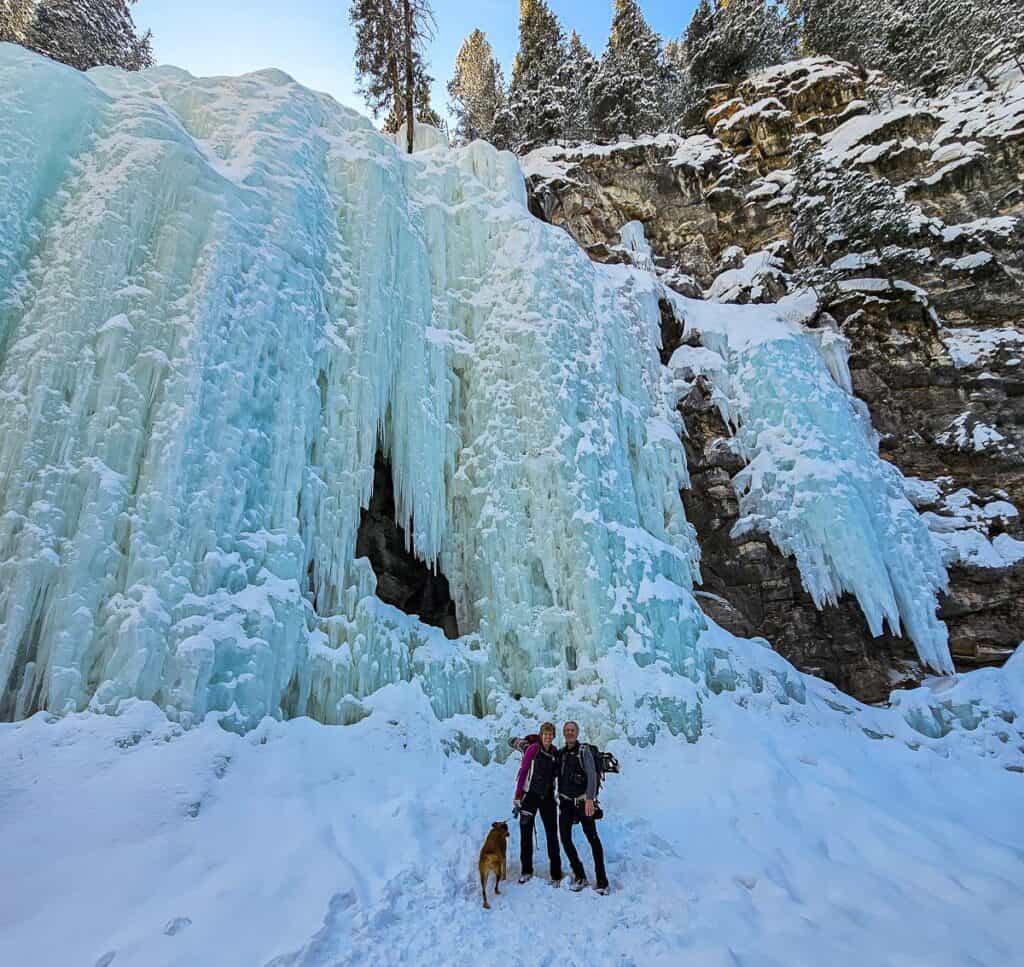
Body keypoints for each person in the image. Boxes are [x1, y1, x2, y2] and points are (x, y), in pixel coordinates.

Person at [558, 720, 609, 894]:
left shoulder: (583, 750)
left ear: (577, 732)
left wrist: (590, 799)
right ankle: (580, 875)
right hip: (565, 803)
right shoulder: (562, 753)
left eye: (572, 730)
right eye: (567, 730)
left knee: (593, 839)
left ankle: (602, 881)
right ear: (564, 733)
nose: (569, 732)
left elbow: (592, 775)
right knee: (565, 838)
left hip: (582, 803)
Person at [513, 721, 563, 885]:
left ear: (553, 736)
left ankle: (556, 873)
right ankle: (526, 870)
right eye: (545, 734)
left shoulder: (555, 752)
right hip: (530, 796)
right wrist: (518, 795)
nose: (548, 736)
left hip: (548, 797)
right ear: (541, 735)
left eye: (550, 734)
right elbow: (523, 771)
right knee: (525, 833)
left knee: (552, 834)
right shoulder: (533, 749)